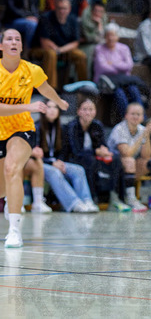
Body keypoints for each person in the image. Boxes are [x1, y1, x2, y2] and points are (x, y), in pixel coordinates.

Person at [0, 29, 69, 247]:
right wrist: (28, 106)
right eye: (9, 39)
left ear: (21, 47)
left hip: (22, 129)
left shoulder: (31, 70)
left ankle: (14, 231)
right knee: (2, 187)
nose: (13, 42)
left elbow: (46, 89)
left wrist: (60, 102)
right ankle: (9, 197)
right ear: (1, 46)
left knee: (12, 168)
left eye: (17, 39)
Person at [62, 97, 128, 211]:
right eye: (85, 109)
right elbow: (76, 151)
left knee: (116, 159)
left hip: (93, 157)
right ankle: (91, 198)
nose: (88, 112)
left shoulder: (97, 125)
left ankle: (117, 197)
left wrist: (105, 151)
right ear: (79, 111)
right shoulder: (72, 127)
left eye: (91, 109)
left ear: (95, 112)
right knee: (89, 161)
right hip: (74, 159)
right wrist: (96, 152)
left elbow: (103, 145)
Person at [36, 100, 99, 213]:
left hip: (57, 162)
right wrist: (52, 163)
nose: (52, 110)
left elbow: (64, 150)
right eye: (49, 107)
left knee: (78, 170)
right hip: (41, 164)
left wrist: (60, 161)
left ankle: (86, 200)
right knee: (54, 172)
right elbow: (35, 153)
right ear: (43, 110)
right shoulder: (36, 127)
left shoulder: (62, 128)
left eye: (55, 107)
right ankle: (74, 204)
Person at [31, 0, 88, 90]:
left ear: (69, 9)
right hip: (40, 49)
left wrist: (61, 50)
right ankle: (51, 89)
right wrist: (57, 50)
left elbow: (75, 43)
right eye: (59, 8)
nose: (62, 11)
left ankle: (84, 87)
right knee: (51, 54)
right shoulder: (46, 18)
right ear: (55, 8)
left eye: (64, 8)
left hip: (62, 50)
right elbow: (44, 42)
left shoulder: (73, 19)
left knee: (81, 56)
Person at [107, 103, 151, 212]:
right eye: (133, 114)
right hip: (113, 164)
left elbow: (147, 155)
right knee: (129, 161)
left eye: (138, 114)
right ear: (126, 115)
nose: (135, 117)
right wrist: (142, 137)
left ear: (142, 117)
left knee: (147, 162)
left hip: (130, 166)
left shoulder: (142, 129)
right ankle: (130, 198)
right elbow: (126, 153)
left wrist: (147, 136)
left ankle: (129, 189)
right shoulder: (120, 129)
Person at [94, 23, 145, 120]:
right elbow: (103, 67)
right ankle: (127, 119)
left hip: (124, 81)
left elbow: (129, 66)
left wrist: (112, 63)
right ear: (105, 37)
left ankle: (142, 118)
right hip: (108, 82)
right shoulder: (99, 49)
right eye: (108, 35)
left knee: (134, 89)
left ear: (117, 36)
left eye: (113, 35)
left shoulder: (124, 48)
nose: (111, 38)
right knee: (119, 92)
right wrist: (121, 66)